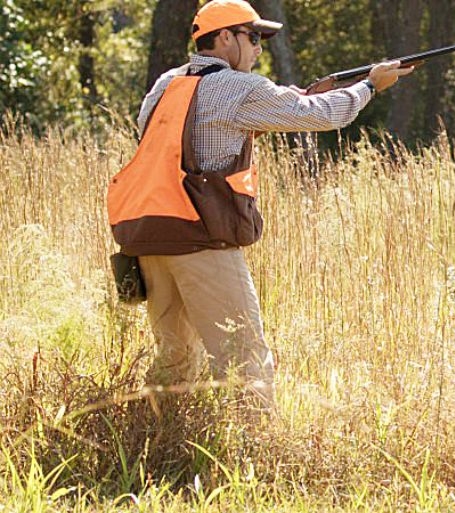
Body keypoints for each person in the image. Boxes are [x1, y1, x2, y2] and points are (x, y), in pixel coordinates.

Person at [107, 0, 413, 410]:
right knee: (244, 359)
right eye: (253, 37)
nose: (258, 48)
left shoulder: (166, 84)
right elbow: (327, 115)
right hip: (202, 241)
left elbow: (193, 140)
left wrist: (291, 100)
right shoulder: (239, 86)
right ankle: (254, 456)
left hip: (149, 238)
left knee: (174, 359)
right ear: (225, 38)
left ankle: (154, 439)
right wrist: (371, 85)